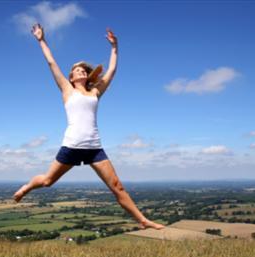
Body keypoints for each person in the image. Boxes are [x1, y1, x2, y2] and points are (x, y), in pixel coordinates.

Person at [13, 23, 164, 230]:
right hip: (72, 145)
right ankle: (27, 187)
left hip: (94, 147)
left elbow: (111, 71)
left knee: (117, 186)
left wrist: (114, 47)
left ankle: (142, 220)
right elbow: (51, 63)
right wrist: (41, 40)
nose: (80, 71)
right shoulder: (66, 89)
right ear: (71, 78)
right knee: (47, 181)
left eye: (83, 69)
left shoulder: (95, 93)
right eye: (76, 70)